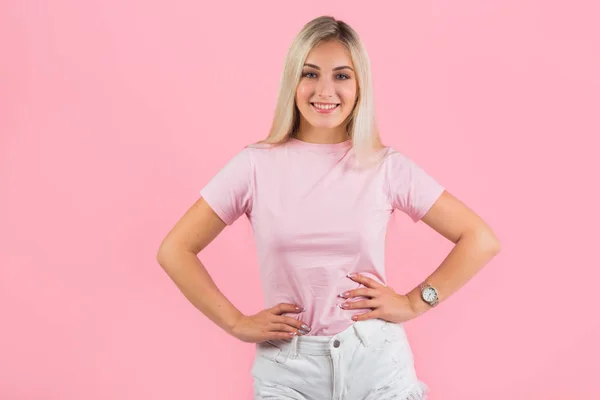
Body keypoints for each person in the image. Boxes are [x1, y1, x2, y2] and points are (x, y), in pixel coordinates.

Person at [157, 15, 501, 400]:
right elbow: (174, 250)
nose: (325, 90)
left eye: (341, 76)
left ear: (360, 86)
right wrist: (235, 323)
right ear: (293, 81)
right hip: (288, 370)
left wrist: (414, 303)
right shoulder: (254, 166)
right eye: (310, 74)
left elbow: (480, 239)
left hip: (377, 365)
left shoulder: (385, 166)